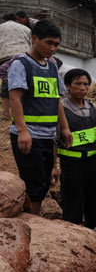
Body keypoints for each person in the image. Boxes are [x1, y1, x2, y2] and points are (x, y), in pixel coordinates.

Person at [7, 19, 71, 216]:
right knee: (33, 184)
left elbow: (57, 100)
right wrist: (23, 131)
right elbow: (15, 98)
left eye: (56, 44)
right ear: (35, 39)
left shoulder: (52, 67)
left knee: (43, 182)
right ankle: (33, 221)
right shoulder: (21, 64)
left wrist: (65, 128)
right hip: (30, 135)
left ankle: (31, 217)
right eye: (49, 43)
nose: (53, 48)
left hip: (48, 136)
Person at [56, 68, 96, 228]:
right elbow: (54, 139)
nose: (82, 87)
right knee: (73, 201)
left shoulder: (92, 107)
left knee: (95, 200)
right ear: (67, 86)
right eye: (78, 83)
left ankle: (94, 234)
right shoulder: (61, 109)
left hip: (94, 162)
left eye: (86, 84)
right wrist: (53, 166)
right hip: (72, 164)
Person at [0, 15, 32, 116]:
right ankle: (22, 111)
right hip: (23, 57)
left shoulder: (1, 27)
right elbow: (30, 44)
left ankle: (6, 112)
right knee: (23, 83)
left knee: (6, 84)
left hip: (5, 56)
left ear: (4, 20)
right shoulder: (26, 28)